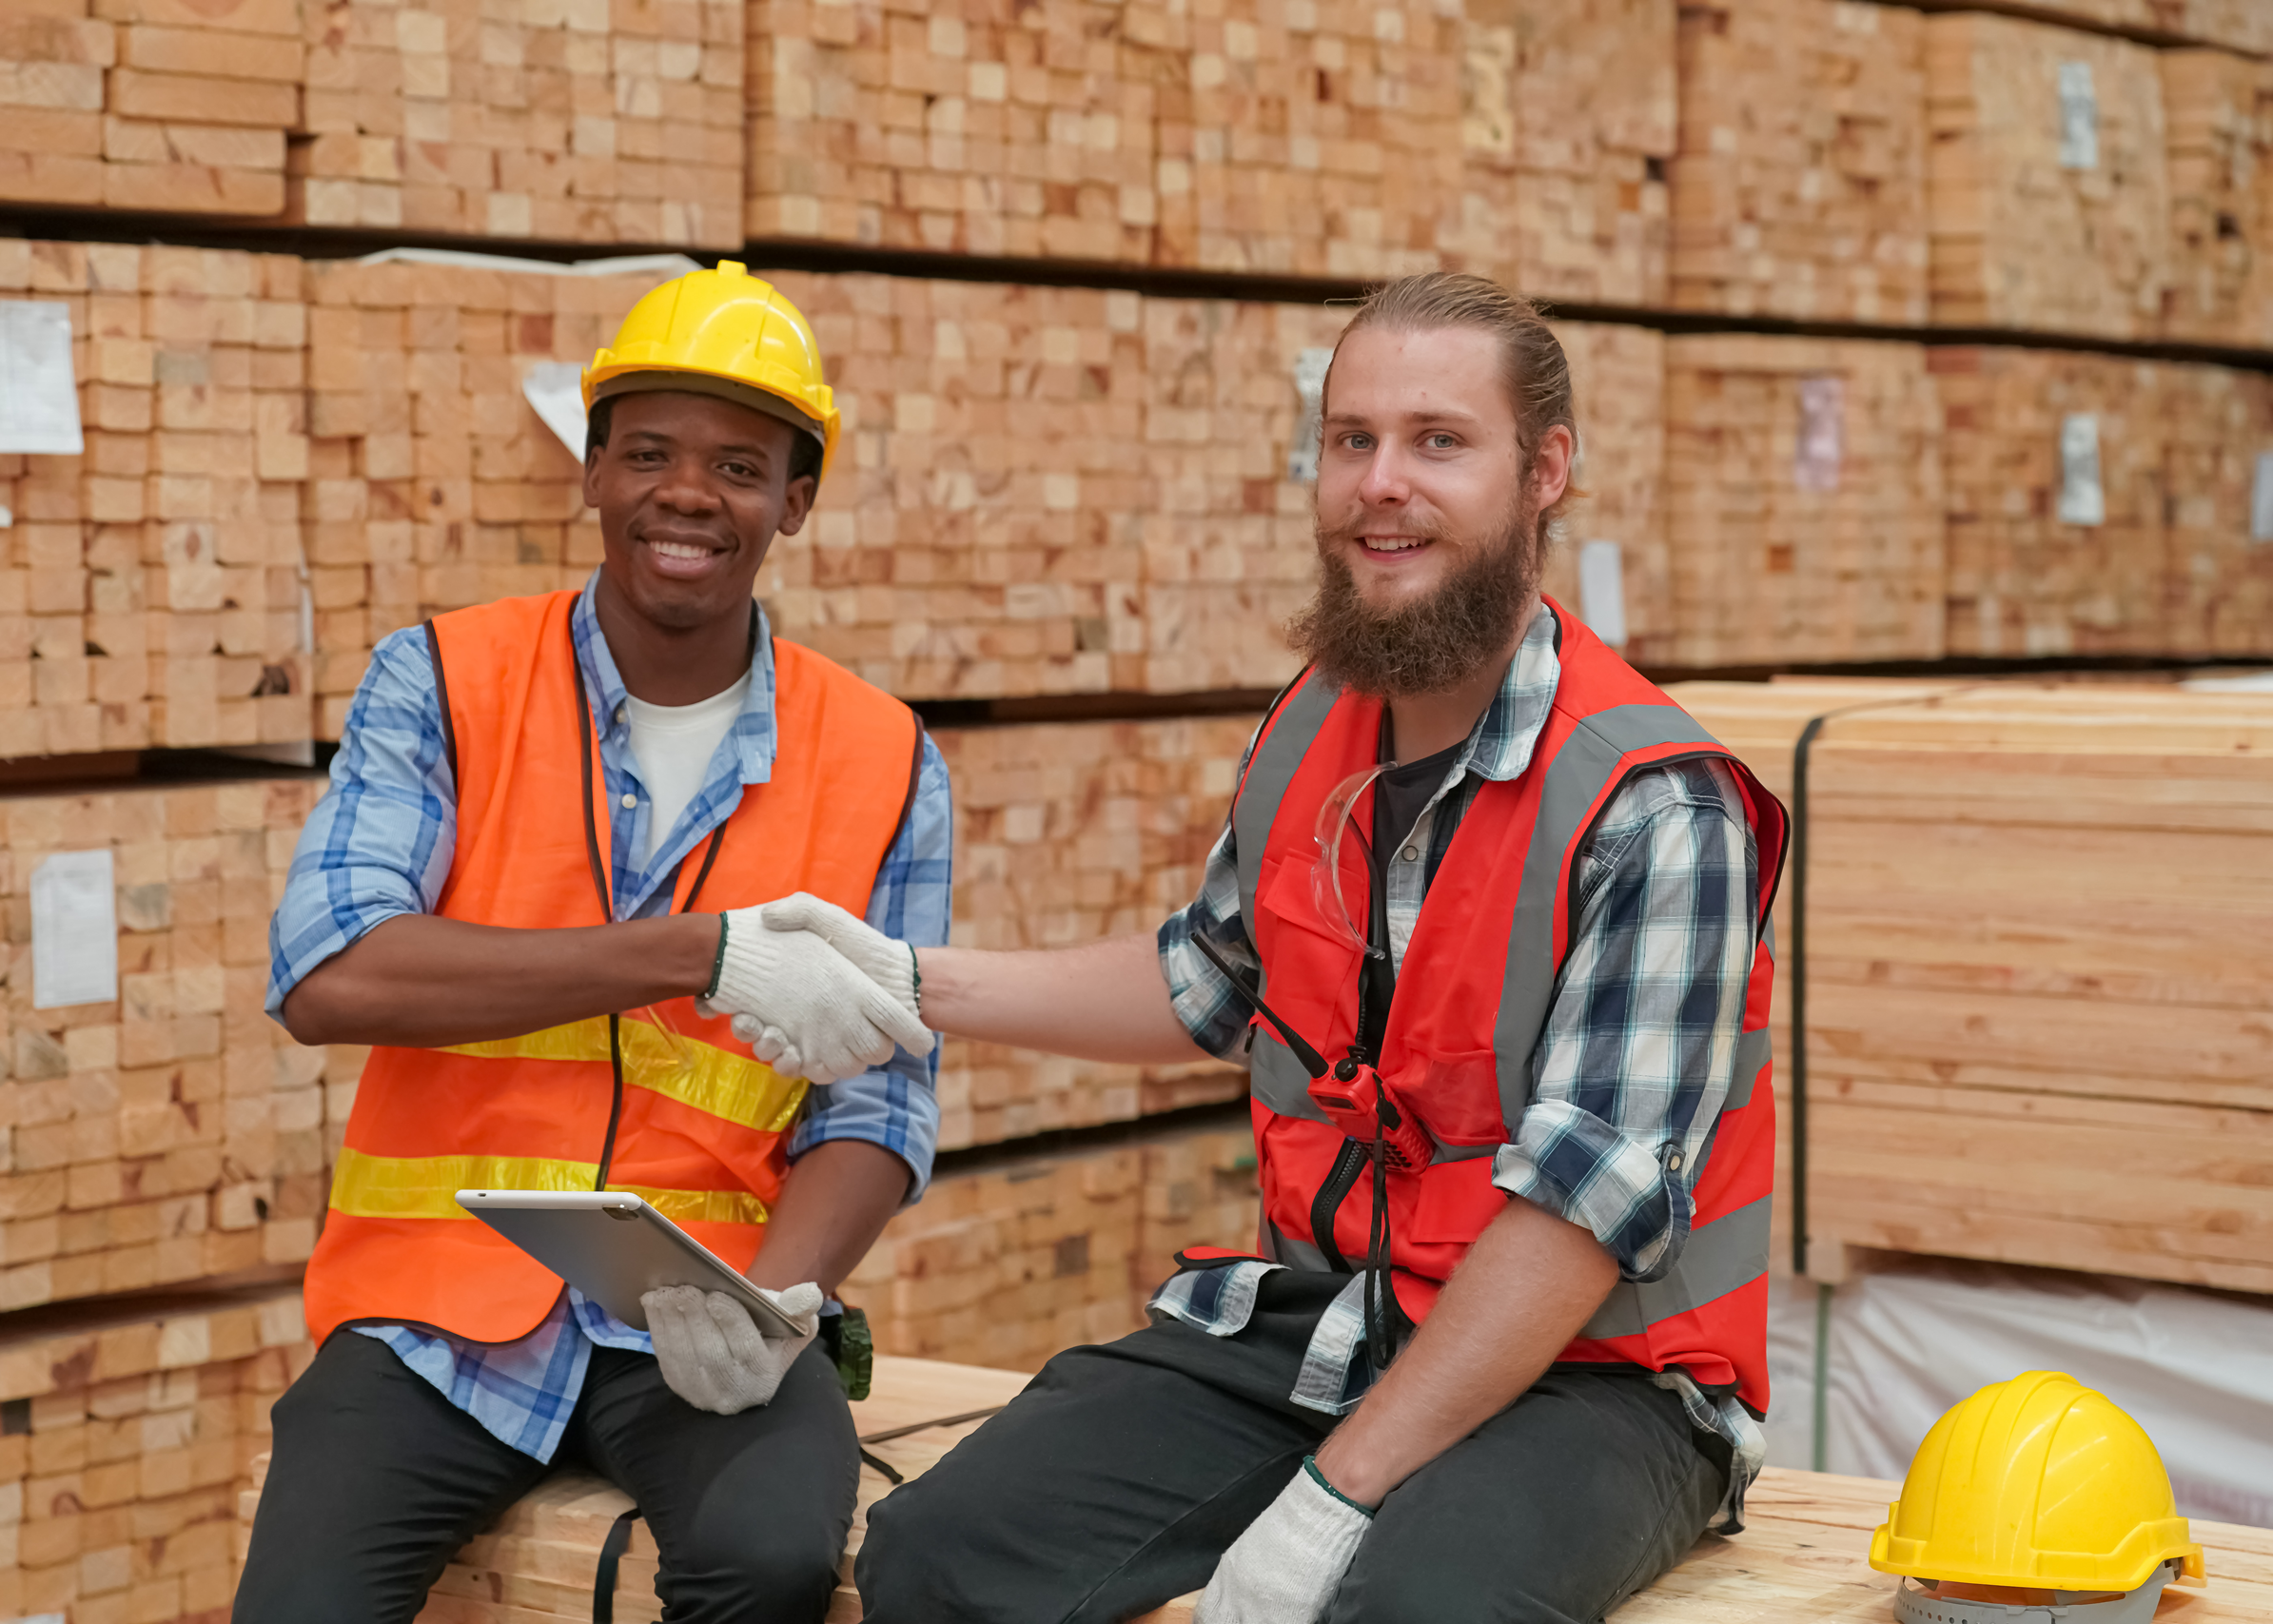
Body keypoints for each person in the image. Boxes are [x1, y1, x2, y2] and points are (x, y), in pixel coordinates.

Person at [773, 271, 1789, 1623]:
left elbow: (1576, 1219)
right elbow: (1204, 981)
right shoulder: (1315, 725)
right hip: (1338, 1317)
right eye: (1351, 439)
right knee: (940, 1551)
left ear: (1546, 471)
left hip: (1600, 1379)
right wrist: (910, 983)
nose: (1383, 483)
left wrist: (1334, 1494)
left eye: (1439, 441)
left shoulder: (1656, 804)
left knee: (1403, 1611)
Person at [234, 262, 950, 1624]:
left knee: (774, 1559)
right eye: (649, 452)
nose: (688, 493)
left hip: (706, 1314)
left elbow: (882, 1096)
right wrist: (695, 952)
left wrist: (777, 1299)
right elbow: (330, 974)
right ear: (594, 472)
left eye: (742, 465)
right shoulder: (443, 679)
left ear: (795, 502)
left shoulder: (883, 758)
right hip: (432, 1316)